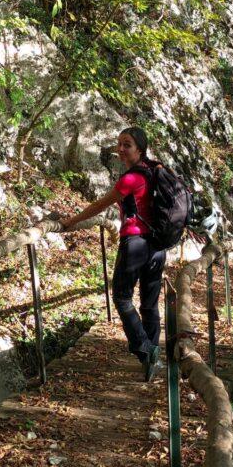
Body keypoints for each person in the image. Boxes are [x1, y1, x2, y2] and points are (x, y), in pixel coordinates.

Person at [59, 126, 166, 381]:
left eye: (127, 144)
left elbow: (100, 205)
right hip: (157, 246)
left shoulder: (131, 179)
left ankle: (144, 347)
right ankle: (152, 356)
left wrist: (69, 222)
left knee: (122, 297)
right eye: (119, 144)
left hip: (136, 244)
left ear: (140, 148)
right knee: (149, 303)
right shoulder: (155, 170)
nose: (120, 149)